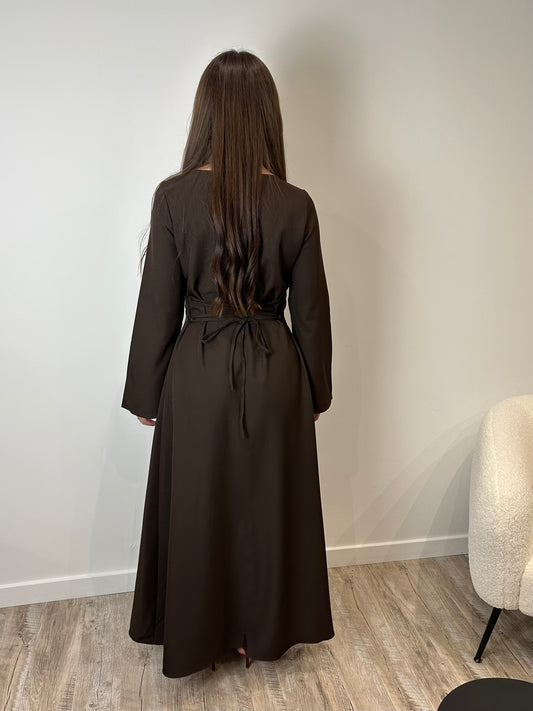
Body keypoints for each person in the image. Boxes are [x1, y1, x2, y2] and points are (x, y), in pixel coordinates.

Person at [121, 48, 334, 679]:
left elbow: (158, 306)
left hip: (198, 370)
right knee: (266, 506)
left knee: (200, 504)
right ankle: (259, 632)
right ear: (266, 115)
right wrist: (314, 392)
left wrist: (146, 394)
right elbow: (312, 315)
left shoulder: (173, 198)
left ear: (206, 114)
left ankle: (201, 631)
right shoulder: (295, 204)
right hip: (276, 371)